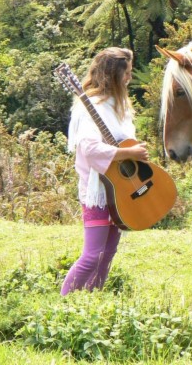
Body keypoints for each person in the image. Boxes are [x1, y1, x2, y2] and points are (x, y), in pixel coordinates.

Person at [61, 47, 149, 295]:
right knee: (92, 256)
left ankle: (92, 303)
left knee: (108, 253)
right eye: (127, 73)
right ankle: (63, 306)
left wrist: (134, 150)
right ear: (113, 76)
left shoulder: (119, 105)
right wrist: (129, 154)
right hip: (98, 190)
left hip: (119, 189)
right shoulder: (91, 106)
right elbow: (89, 148)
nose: (129, 78)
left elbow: (122, 141)